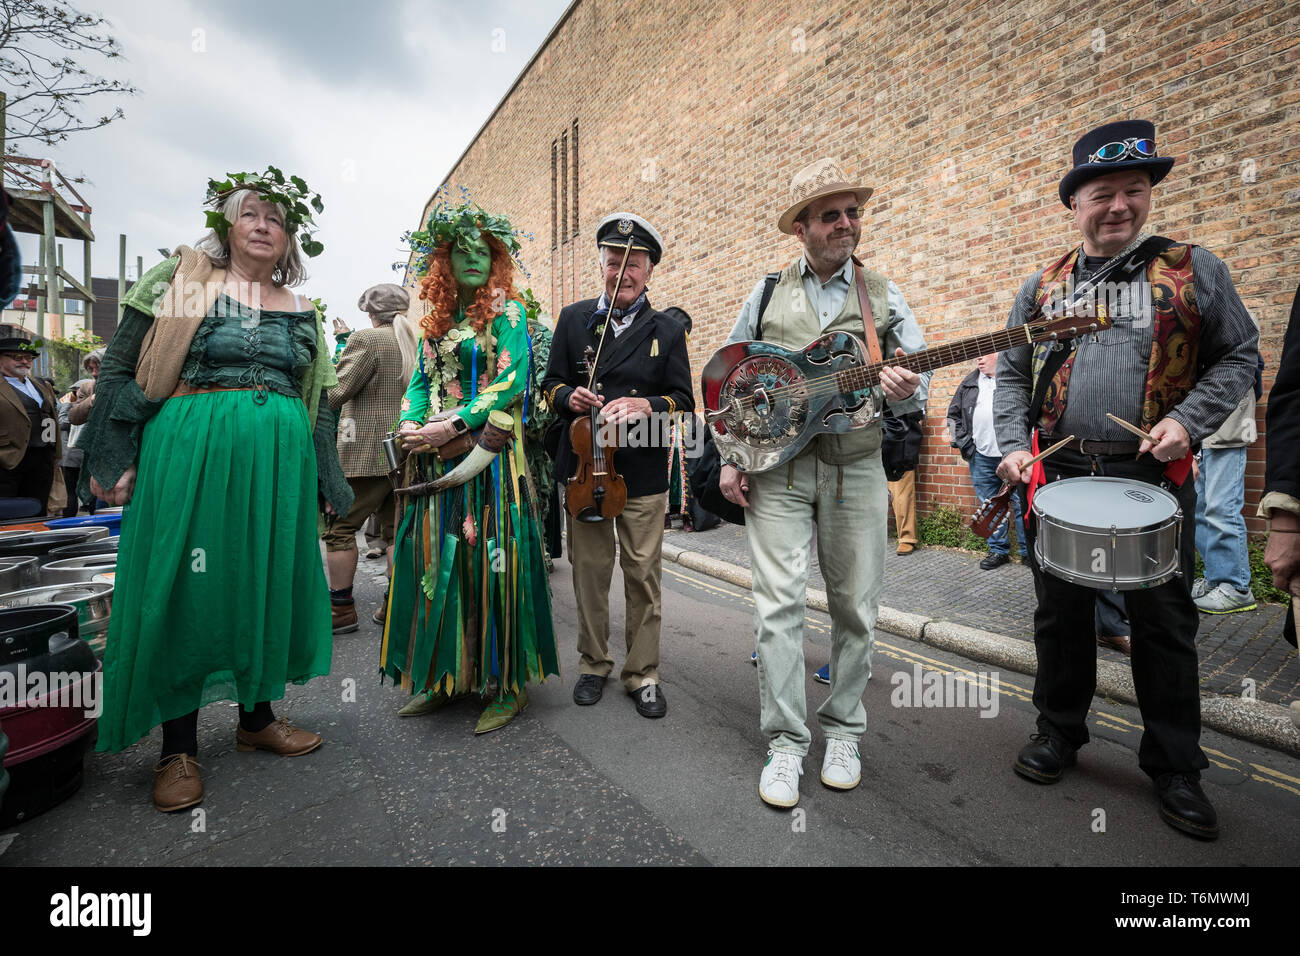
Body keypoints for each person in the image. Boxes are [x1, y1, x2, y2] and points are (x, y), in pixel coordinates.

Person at [993, 120, 1258, 840]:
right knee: (1061, 613)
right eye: (1101, 193)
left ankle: (1175, 766)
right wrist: (1015, 445)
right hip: (1065, 470)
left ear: (1149, 196)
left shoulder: (1195, 270)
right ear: (1073, 204)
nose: (1119, 206)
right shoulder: (1041, 287)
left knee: (1164, 622)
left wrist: (1190, 421)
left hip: (1151, 471)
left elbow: (1242, 358)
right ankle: (1059, 731)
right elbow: (1013, 377)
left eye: (1133, 191)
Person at [76, 168, 349, 812]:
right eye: (250, 213)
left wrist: (327, 470)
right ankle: (178, 747)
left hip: (278, 461)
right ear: (227, 224)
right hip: (190, 451)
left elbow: (323, 399)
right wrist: (114, 452)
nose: (262, 226)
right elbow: (121, 362)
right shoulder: (182, 280)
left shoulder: (306, 308)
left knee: (261, 576)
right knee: (188, 587)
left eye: (276, 219)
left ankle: (256, 720)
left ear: (290, 240)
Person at [719, 157, 927, 807]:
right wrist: (730, 454)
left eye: (853, 212)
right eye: (830, 214)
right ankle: (785, 743)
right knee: (777, 607)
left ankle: (843, 730)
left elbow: (917, 391)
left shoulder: (885, 296)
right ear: (802, 228)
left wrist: (902, 389)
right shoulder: (764, 292)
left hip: (855, 465)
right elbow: (728, 379)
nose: (846, 223)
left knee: (856, 610)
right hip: (778, 471)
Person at [382, 195, 559, 734]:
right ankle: (443, 675)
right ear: (444, 262)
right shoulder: (432, 321)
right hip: (434, 461)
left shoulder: (508, 311)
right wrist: (411, 424)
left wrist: (454, 423)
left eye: (484, 251)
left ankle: (506, 685)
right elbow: (419, 382)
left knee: (493, 561)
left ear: (496, 258)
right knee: (437, 559)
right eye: (462, 252)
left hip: (490, 460)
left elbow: (512, 383)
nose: (475, 259)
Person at [542, 213, 694, 719]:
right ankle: (593, 663)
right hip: (586, 465)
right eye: (614, 261)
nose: (622, 271)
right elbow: (550, 385)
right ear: (603, 265)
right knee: (589, 571)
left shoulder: (667, 329)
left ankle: (643, 673)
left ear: (648, 270)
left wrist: (647, 406)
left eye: (634, 263)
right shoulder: (572, 318)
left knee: (643, 575)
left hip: (643, 471)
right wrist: (568, 396)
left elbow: (683, 400)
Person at [325, 282, 416, 632]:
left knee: (340, 530)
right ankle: (394, 608)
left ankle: (342, 612)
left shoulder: (366, 339)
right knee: (395, 533)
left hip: (364, 452)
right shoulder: (415, 339)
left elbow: (337, 392)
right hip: (404, 452)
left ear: (369, 310)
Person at [1192, 312, 1262, 614]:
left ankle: (1236, 586)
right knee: (1200, 508)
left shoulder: (1234, 314)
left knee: (1222, 507)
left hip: (1228, 427)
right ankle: (1215, 578)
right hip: (1199, 428)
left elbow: (1252, 369)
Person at [947, 354, 1027, 569]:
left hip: (1012, 455)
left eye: (985, 354)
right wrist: (964, 445)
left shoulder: (1014, 380)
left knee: (1021, 504)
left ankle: (1027, 552)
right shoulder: (969, 383)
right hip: (981, 456)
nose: (978, 359)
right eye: (977, 355)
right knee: (989, 505)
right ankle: (998, 551)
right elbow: (952, 416)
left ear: (1000, 355)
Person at [0, 337, 62, 509]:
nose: (25, 362)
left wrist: (55, 452)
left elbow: (51, 417)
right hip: (8, 460)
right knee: (8, 511)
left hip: (42, 459)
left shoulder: (41, 384)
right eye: (17, 357)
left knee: (37, 508)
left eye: (29, 358)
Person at [59, 348, 103, 517]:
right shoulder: (86, 390)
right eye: (90, 369)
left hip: (96, 456)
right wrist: (89, 401)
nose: (94, 373)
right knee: (74, 492)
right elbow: (69, 420)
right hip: (75, 455)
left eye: (98, 367)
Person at [885, 406, 924, 555]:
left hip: (900, 445)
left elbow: (915, 415)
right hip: (874, 442)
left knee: (902, 495)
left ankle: (907, 538)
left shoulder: (907, 393)